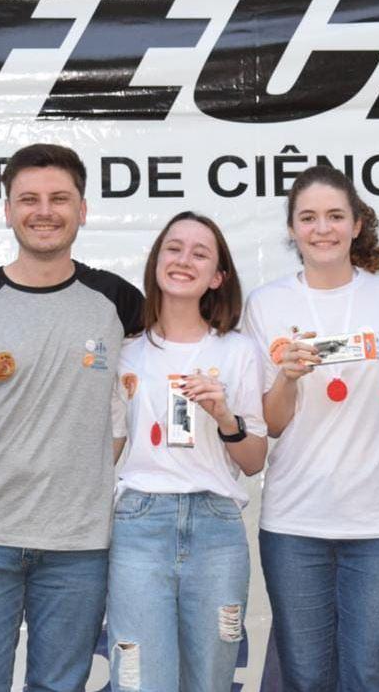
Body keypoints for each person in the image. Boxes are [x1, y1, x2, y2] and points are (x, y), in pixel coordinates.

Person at [0, 143, 144, 691]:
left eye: (59, 198)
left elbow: (173, 362)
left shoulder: (120, 301)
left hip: (78, 544)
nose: (44, 210)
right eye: (29, 199)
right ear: (8, 210)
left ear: (83, 209)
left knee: (59, 687)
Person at [242, 166, 379, 691]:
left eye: (336, 216)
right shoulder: (267, 303)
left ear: (358, 224)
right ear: (293, 229)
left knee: (371, 677)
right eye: (309, 217)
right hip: (296, 522)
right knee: (306, 678)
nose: (324, 229)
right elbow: (271, 423)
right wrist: (288, 379)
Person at [108, 211, 268, 691]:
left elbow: (254, 459)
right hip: (138, 525)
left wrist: (224, 417)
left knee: (211, 681)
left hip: (216, 530)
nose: (184, 260)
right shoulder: (126, 352)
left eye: (201, 254)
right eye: (174, 248)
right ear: (156, 260)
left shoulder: (236, 352)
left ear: (217, 277)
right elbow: (111, 446)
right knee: (139, 680)